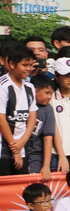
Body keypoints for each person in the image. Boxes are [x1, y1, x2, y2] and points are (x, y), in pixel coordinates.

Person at [0, 44, 37, 175]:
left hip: (22, 147)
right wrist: (14, 149)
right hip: (4, 149)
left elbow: (32, 116)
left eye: (31, 65)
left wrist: (22, 142)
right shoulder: (3, 86)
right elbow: (1, 119)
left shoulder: (30, 87)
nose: (29, 69)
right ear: (12, 64)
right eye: (25, 65)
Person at [27, 74, 56, 180]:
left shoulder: (47, 109)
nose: (49, 97)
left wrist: (46, 165)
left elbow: (48, 138)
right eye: (46, 93)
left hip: (36, 156)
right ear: (35, 91)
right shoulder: (23, 104)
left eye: (51, 93)